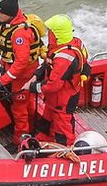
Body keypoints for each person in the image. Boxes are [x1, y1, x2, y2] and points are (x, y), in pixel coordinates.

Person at [0, 0, 47, 155]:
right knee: (27, 105)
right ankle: (32, 128)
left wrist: (5, 79)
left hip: (22, 76)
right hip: (15, 72)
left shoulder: (20, 35)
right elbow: (9, 54)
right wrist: (4, 68)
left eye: (1, 13)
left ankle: (19, 140)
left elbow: (21, 62)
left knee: (19, 108)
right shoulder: (8, 25)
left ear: (10, 14)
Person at [36, 14, 89, 148]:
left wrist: (34, 87)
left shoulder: (64, 58)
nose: (48, 34)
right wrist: (39, 73)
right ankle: (46, 138)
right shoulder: (74, 43)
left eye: (50, 31)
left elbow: (53, 85)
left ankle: (66, 149)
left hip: (63, 98)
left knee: (62, 125)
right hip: (56, 97)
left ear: (56, 34)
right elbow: (85, 61)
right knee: (48, 118)